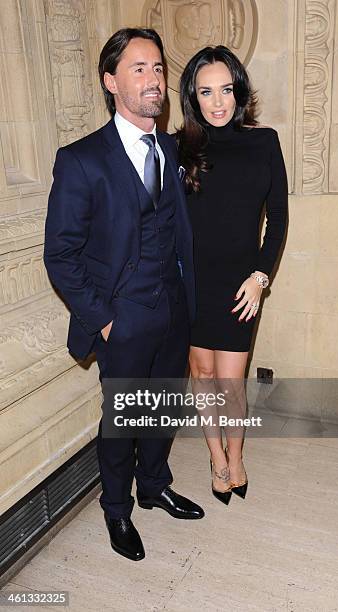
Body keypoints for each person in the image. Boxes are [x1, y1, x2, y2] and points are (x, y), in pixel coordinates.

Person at [44, 28, 204, 563]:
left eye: (158, 68)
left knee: (163, 410)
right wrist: (106, 321)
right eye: (139, 69)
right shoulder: (81, 159)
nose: (154, 79)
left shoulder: (171, 148)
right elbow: (60, 254)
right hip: (123, 317)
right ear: (111, 82)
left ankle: (154, 486)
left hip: (174, 309)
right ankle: (116, 508)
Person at [176, 46, 288, 505]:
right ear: (193, 97)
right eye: (206, 91)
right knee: (201, 373)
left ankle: (236, 455)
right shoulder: (178, 147)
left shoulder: (264, 142)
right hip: (192, 284)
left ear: (239, 91)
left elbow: (278, 219)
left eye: (226, 89)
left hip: (241, 285)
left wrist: (260, 277)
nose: (217, 101)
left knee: (230, 381)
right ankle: (215, 457)